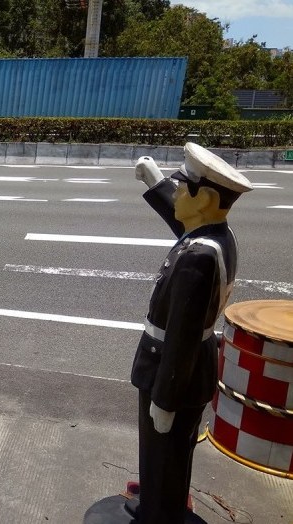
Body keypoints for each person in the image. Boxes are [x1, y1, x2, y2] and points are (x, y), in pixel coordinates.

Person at [131, 143, 253, 523]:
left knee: (160, 453)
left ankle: (157, 515)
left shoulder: (198, 259)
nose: (177, 194)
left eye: (182, 188)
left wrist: (165, 400)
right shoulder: (217, 236)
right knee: (173, 454)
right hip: (193, 369)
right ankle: (161, 505)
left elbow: (181, 338)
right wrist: (155, 181)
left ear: (207, 200)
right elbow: (183, 220)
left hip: (170, 371)